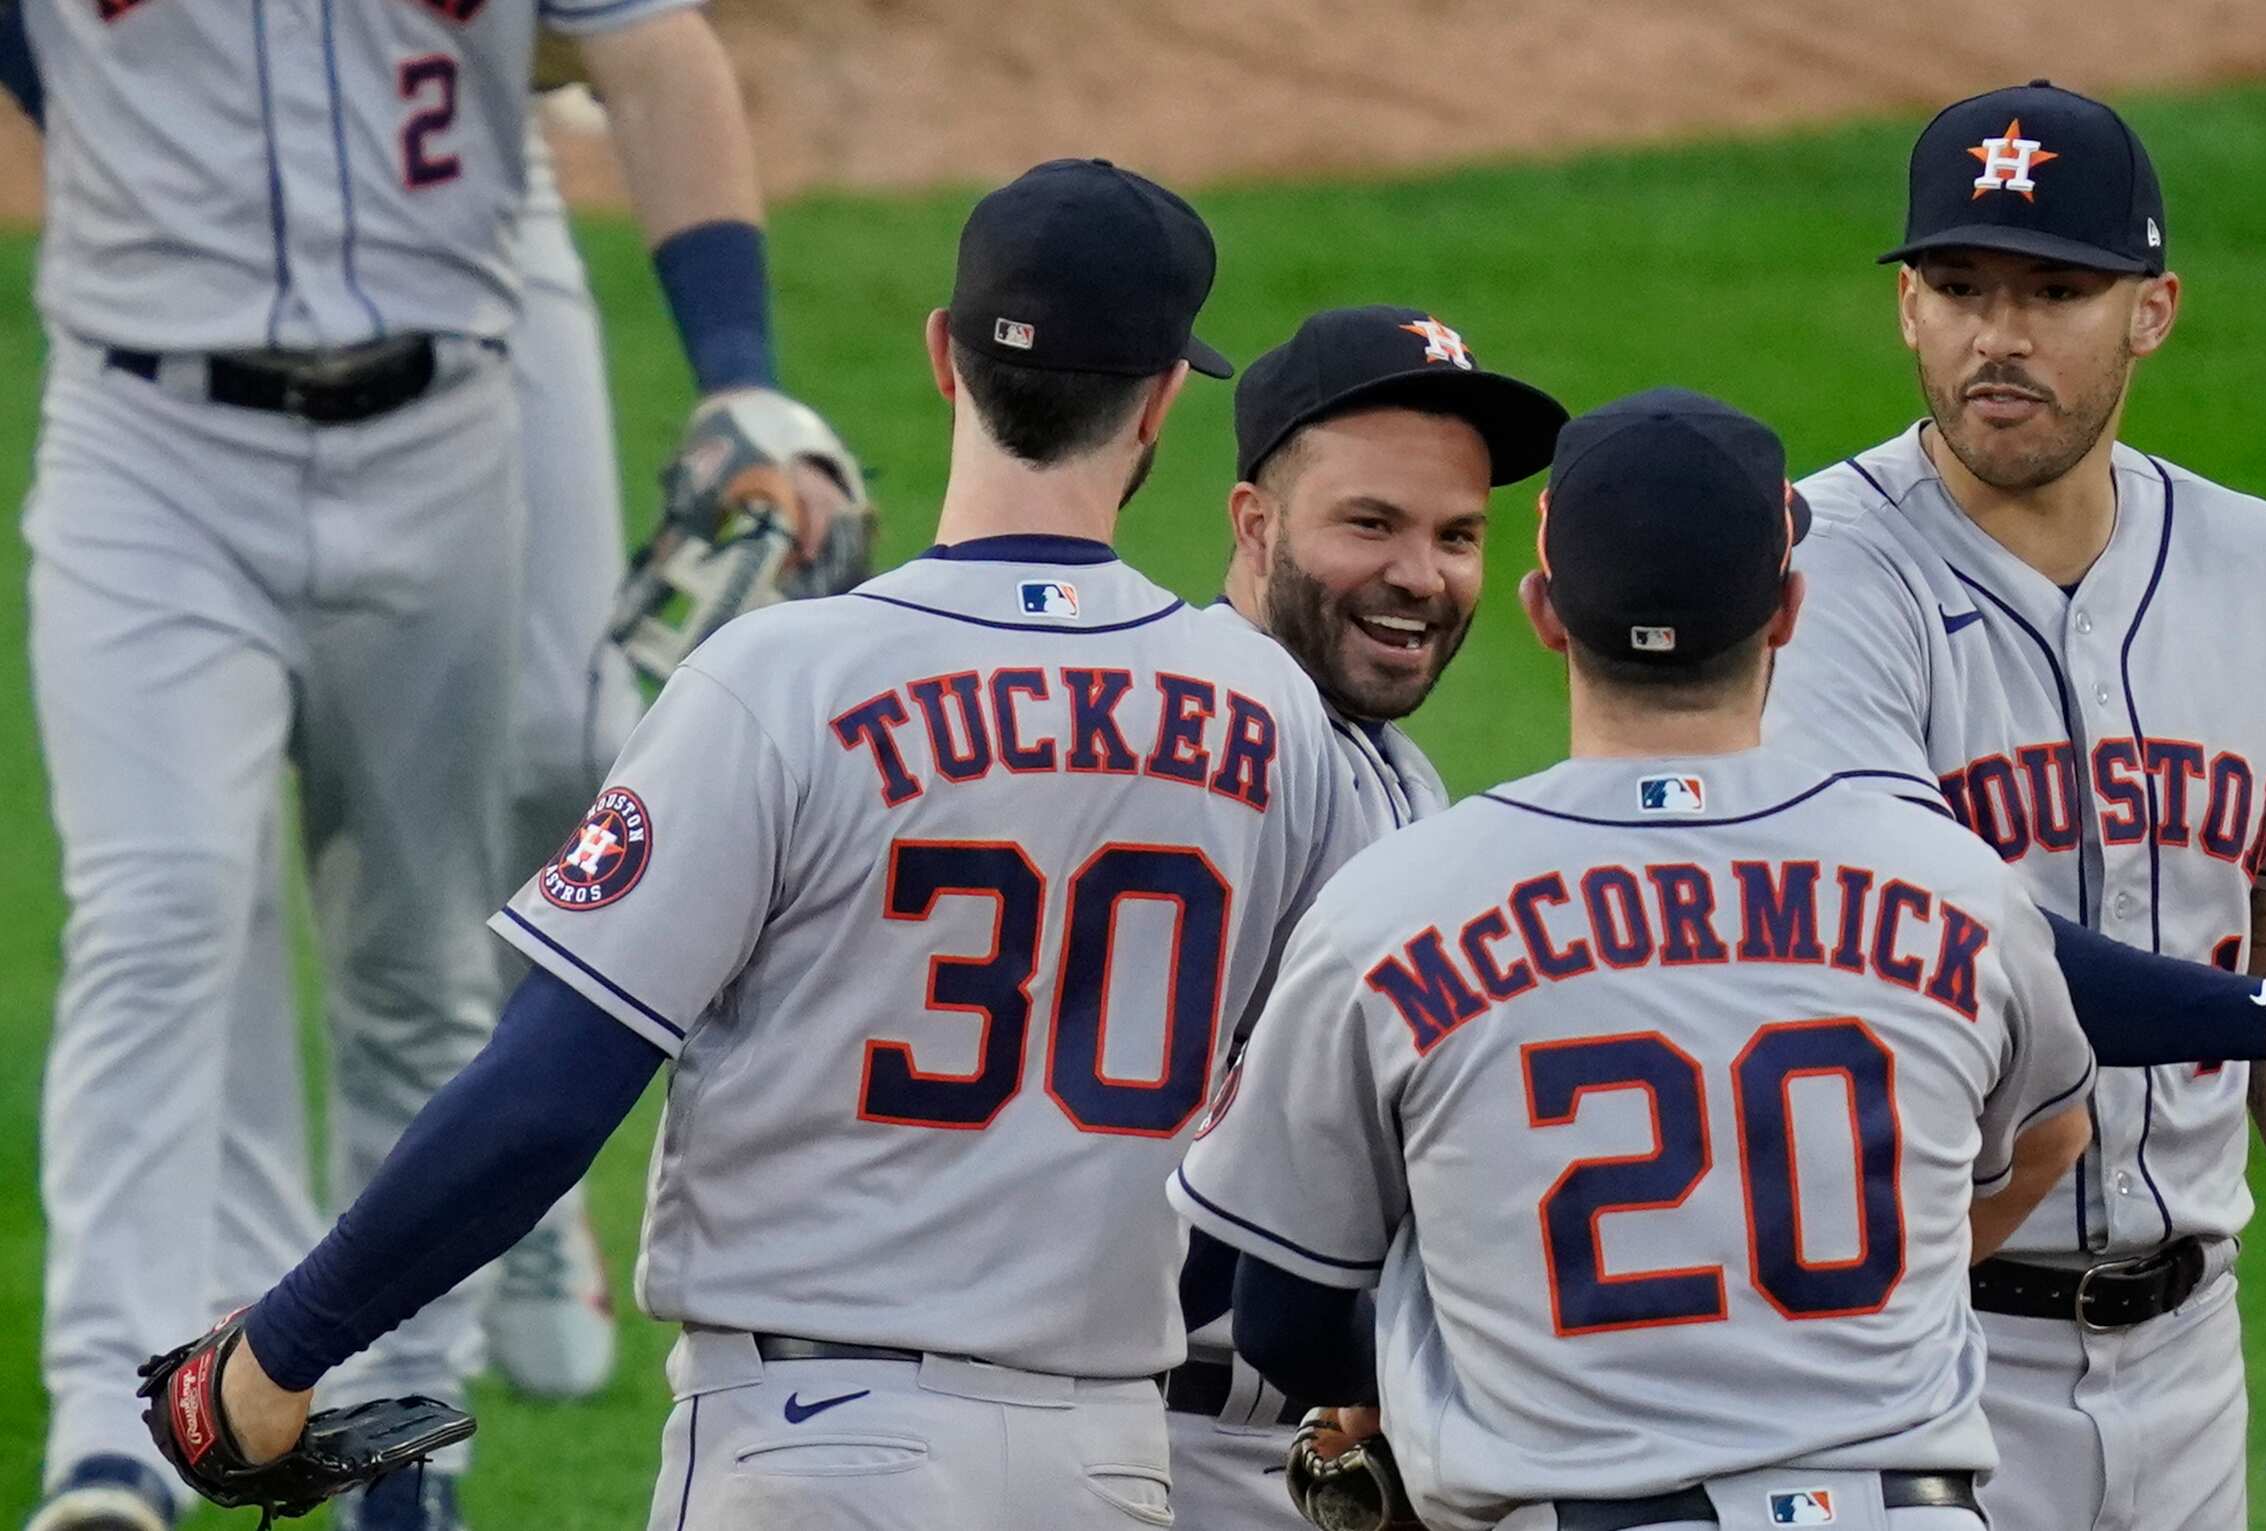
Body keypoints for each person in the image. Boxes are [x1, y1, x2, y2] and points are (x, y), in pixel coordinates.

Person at [138, 157, 1375, 1531]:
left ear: (941, 358)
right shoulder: (1267, 710)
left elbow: (546, 1092)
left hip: (813, 1447)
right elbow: (1324, 1131)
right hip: (1106, 1457)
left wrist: (276, 1349)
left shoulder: (780, 678)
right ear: (1158, 402)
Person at [17, 0, 845, 1524]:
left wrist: (738, 370)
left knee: (414, 958)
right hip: (151, 444)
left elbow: (652, 47)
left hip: (441, 437)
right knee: (160, 910)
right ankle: (107, 1437)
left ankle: (408, 1454)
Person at [1763, 80, 2266, 1529]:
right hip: (1913, 1352)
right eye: (1956, 284)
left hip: (2188, 1360)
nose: (1998, 332)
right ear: (1905, 312)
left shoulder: (2261, 569)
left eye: (2055, 288)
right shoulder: (1811, 576)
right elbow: (1949, 940)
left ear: (2150, 310)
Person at [1175, 387, 2102, 1531]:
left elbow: (1285, 1318)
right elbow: (2052, 1134)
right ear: (1786, 612)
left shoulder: (1401, 909)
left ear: (1543, 610)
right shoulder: (1955, 882)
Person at [1168, 305, 1566, 1529]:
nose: (1422, 575)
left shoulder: (1381, 760)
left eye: (1457, 535)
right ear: (1254, 521)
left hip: (1284, 1422)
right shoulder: (1224, 745)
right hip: (1169, 1435)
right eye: (1370, 523)